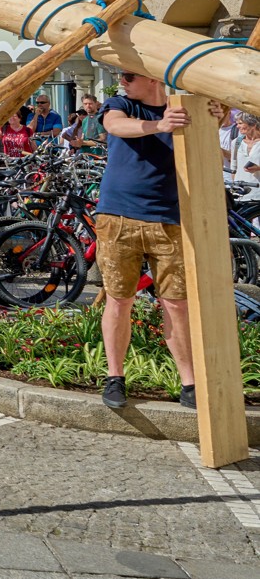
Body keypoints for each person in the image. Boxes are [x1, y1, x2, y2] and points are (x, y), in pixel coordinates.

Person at [96, 71, 196, 410]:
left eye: (127, 76)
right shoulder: (120, 104)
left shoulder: (181, 108)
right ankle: (115, 378)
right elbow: (115, 126)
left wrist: (214, 114)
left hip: (169, 219)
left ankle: (190, 383)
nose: (120, 81)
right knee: (119, 299)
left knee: (176, 304)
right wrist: (159, 127)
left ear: (154, 77)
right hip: (117, 218)